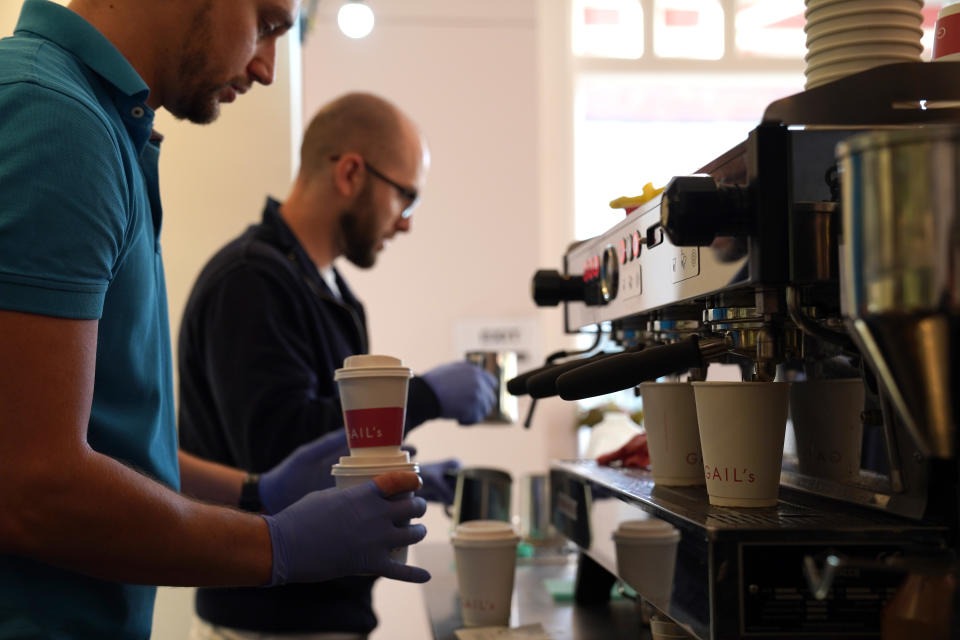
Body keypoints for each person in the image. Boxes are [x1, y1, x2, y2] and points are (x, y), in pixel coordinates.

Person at [0, 2, 431, 637]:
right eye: (268, 22)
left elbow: (108, 437)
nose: (266, 68)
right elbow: (33, 484)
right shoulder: (54, 118)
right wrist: (277, 545)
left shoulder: (106, 128)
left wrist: (257, 491)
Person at [177, 92, 499, 638]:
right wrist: (424, 397)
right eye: (406, 198)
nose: (405, 224)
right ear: (351, 172)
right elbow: (281, 452)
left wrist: (400, 477)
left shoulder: (334, 292)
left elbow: (331, 447)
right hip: (271, 622)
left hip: (319, 616)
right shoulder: (252, 282)